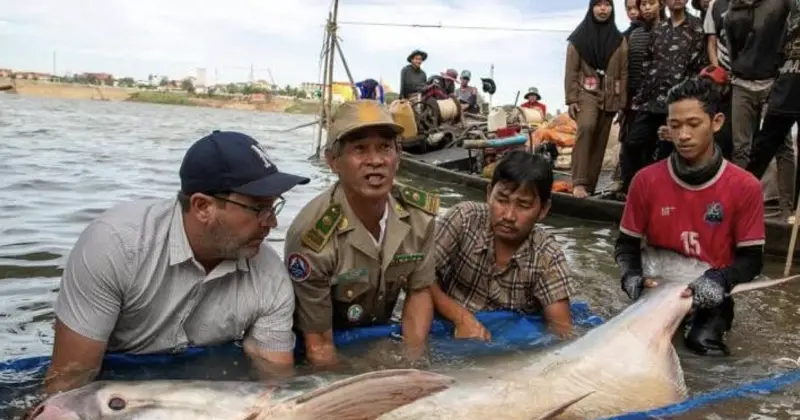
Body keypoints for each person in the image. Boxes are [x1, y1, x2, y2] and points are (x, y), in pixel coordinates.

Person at [44, 131, 311, 394]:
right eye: (258, 208)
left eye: (274, 207)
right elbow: (67, 385)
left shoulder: (269, 274)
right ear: (202, 206)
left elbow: (276, 384)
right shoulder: (115, 246)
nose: (272, 222)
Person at [614, 77, 765, 356]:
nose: (683, 135)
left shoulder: (746, 186)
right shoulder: (644, 181)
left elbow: (751, 260)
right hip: (656, 287)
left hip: (709, 290)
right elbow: (626, 245)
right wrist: (631, 277)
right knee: (632, 349)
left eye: (693, 124)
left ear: (716, 122)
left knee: (702, 346)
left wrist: (717, 282)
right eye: (675, 126)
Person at [284, 100, 438, 368]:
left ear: (398, 156)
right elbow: (319, 344)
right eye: (359, 149)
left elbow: (419, 291)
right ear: (333, 161)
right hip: (323, 341)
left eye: (385, 147)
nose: (376, 161)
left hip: (377, 333)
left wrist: (413, 364)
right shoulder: (312, 235)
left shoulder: (418, 216)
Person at [431, 151, 575, 341]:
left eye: (523, 205)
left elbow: (562, 332)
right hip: (444, 329)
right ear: (489, 194)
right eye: (502, 200)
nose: (508, 215)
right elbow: (419, 277)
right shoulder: (464, 220)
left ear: (543, 210)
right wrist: (461, 318)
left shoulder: (547, 256)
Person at [623, 0, 707, 194]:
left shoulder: (697, 28)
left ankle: (667, 196)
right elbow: (647, 64)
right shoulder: (659, 29)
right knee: (633, 143)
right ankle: (638, 191)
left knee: (668, 152)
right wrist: (640, 98)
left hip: (678, 105)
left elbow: (698, 69)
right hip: (651, 101)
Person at [724, 0, 795, 217]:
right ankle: (742, 204)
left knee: (783, 146)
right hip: (742, 82)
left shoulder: (780, 4)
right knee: (741, 147)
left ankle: (787, 207)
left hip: (775, 80)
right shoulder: (731, 13)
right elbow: (732, 49)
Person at [564, 0, 628, 198]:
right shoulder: (578, 39)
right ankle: (579, 183)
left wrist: (622, 103)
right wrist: (571, 98)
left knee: (601, 140)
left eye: (607, 5)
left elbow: (624, 72)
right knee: (586, 128)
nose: (603, 9)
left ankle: (590, 187)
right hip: (586, 92)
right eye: (598, 5)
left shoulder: (619, 40)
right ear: (591, 8)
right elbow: (571, 70)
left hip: (610, 95)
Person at [746, 0, 800, 220]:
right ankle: (738, 198)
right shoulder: (784, 14)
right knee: (761, 149)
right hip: (784, 88)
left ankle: (794, 212)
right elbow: (775, 52)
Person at [615, 0, 663, 196]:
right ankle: (629, 186)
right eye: (631, 8)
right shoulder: (631, 35)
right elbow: (623, 70)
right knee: (630, 142)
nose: (637, 11)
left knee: (653, 145)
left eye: (641, 5)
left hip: (658, 97)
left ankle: (649, 189)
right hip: (633, 97)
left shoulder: (662, 30)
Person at [703, 0, 734, 159]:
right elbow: (711, 41)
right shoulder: (715, 5)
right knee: (721, 129)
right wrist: (719, 72)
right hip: (722, 76)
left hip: (745, 75)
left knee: (742, 133)